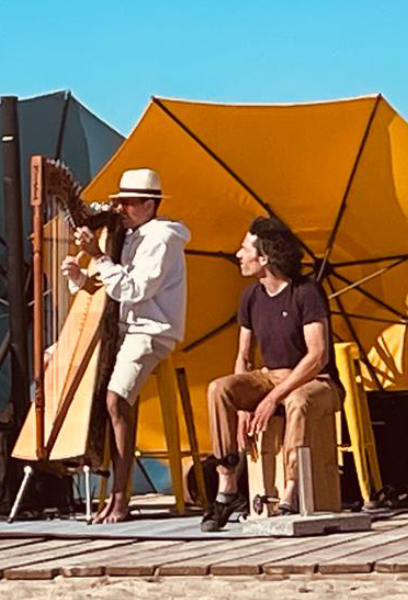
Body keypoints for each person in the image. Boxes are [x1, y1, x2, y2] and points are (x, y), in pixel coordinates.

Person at [61, 168, 190, 524]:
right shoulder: (126, 235)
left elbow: (133, 290)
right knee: (93, 389)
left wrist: (99, 258)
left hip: (152, 330)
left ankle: (121, 496)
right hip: (125, 328)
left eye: (129, 203)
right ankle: (112, 489)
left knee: (115, 399)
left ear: (150, 205)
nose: (120, 209)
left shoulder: (162, 239)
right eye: (118, 203)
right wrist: (80, 276)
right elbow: (106, 285)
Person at [202, 217, 344, 532]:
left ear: (264, 258)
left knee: (298, 402)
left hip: (313, 381)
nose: (238, 255)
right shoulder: (250, 297)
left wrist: (271, 399)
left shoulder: (306, 292)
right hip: (269, 377)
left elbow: (317, 356)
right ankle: (227, 486)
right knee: (218, 389)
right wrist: (242, 410)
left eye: (244, 249)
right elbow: (243, 356)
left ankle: (291, 492)